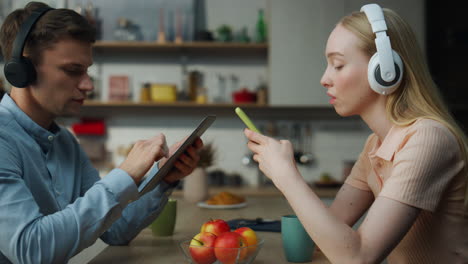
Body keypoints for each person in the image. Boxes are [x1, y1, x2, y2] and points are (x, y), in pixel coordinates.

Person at [244, 3, 467, 263]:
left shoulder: (429, 138)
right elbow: (330, 231)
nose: (324, 78)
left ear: (385, 72)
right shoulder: (375, 144)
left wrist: (286, 176)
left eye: (337, 65)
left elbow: (358, 257)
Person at [0, 2, 203, 263]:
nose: (88, 85)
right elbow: (32, 250)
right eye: (73, 70)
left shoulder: (65, 143)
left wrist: (163, 178)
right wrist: (125, 174)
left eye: (87, 71)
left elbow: (115, 230)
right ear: (22, 71)